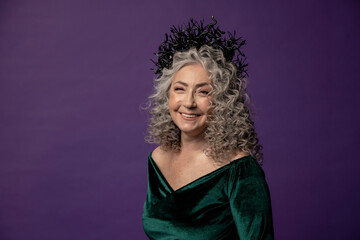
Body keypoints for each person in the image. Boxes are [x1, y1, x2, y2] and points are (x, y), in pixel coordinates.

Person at [142, 17, 274, 240]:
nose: (189, 102)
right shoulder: (158, 158)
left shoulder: (239, 171)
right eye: (180, 89)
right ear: (167, 96)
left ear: (223, 102)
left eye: (203, 92)